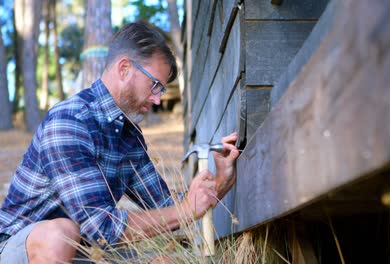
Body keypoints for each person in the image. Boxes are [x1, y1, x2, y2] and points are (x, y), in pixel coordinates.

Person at [0, 22, 240, 263]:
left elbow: (167, 206)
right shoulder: (70, 122)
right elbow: (103, 228)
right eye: (155, 85)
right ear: (124, 68)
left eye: (162, 90)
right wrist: (186, 209)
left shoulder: (128, 136)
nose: (157, 100)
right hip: (20, 249)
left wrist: (220, 180)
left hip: (85, 252)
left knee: (166, 261)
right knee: (59, 234)